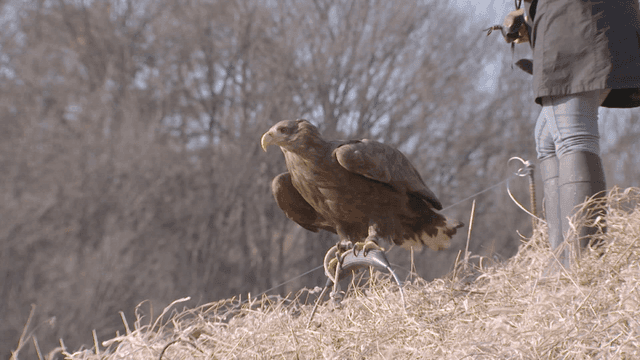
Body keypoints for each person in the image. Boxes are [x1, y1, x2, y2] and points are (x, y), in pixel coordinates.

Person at [503, 0, 640, 267]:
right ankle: (562, 258)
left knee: (574, 136)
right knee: (548, 139)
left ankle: (582, 264)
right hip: (610, 19)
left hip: (574, 20)